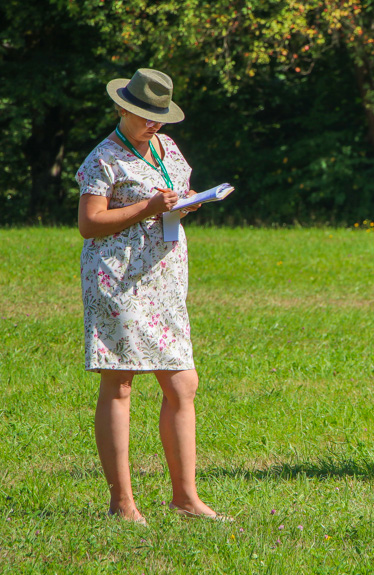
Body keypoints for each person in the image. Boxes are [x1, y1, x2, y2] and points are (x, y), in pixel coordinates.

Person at [77, 68, 225, 523]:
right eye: (144, 115)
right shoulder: (104, 158)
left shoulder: (167, 146)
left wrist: (187, 203)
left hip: (163, 277)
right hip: (117, 280)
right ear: (122, 108)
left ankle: (186, 497)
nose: (152, 123)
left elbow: (168, 199)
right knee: (119, 383)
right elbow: (89, 223)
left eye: (159, 116)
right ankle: (122, 502)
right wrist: (148, 207)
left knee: (183, 383)